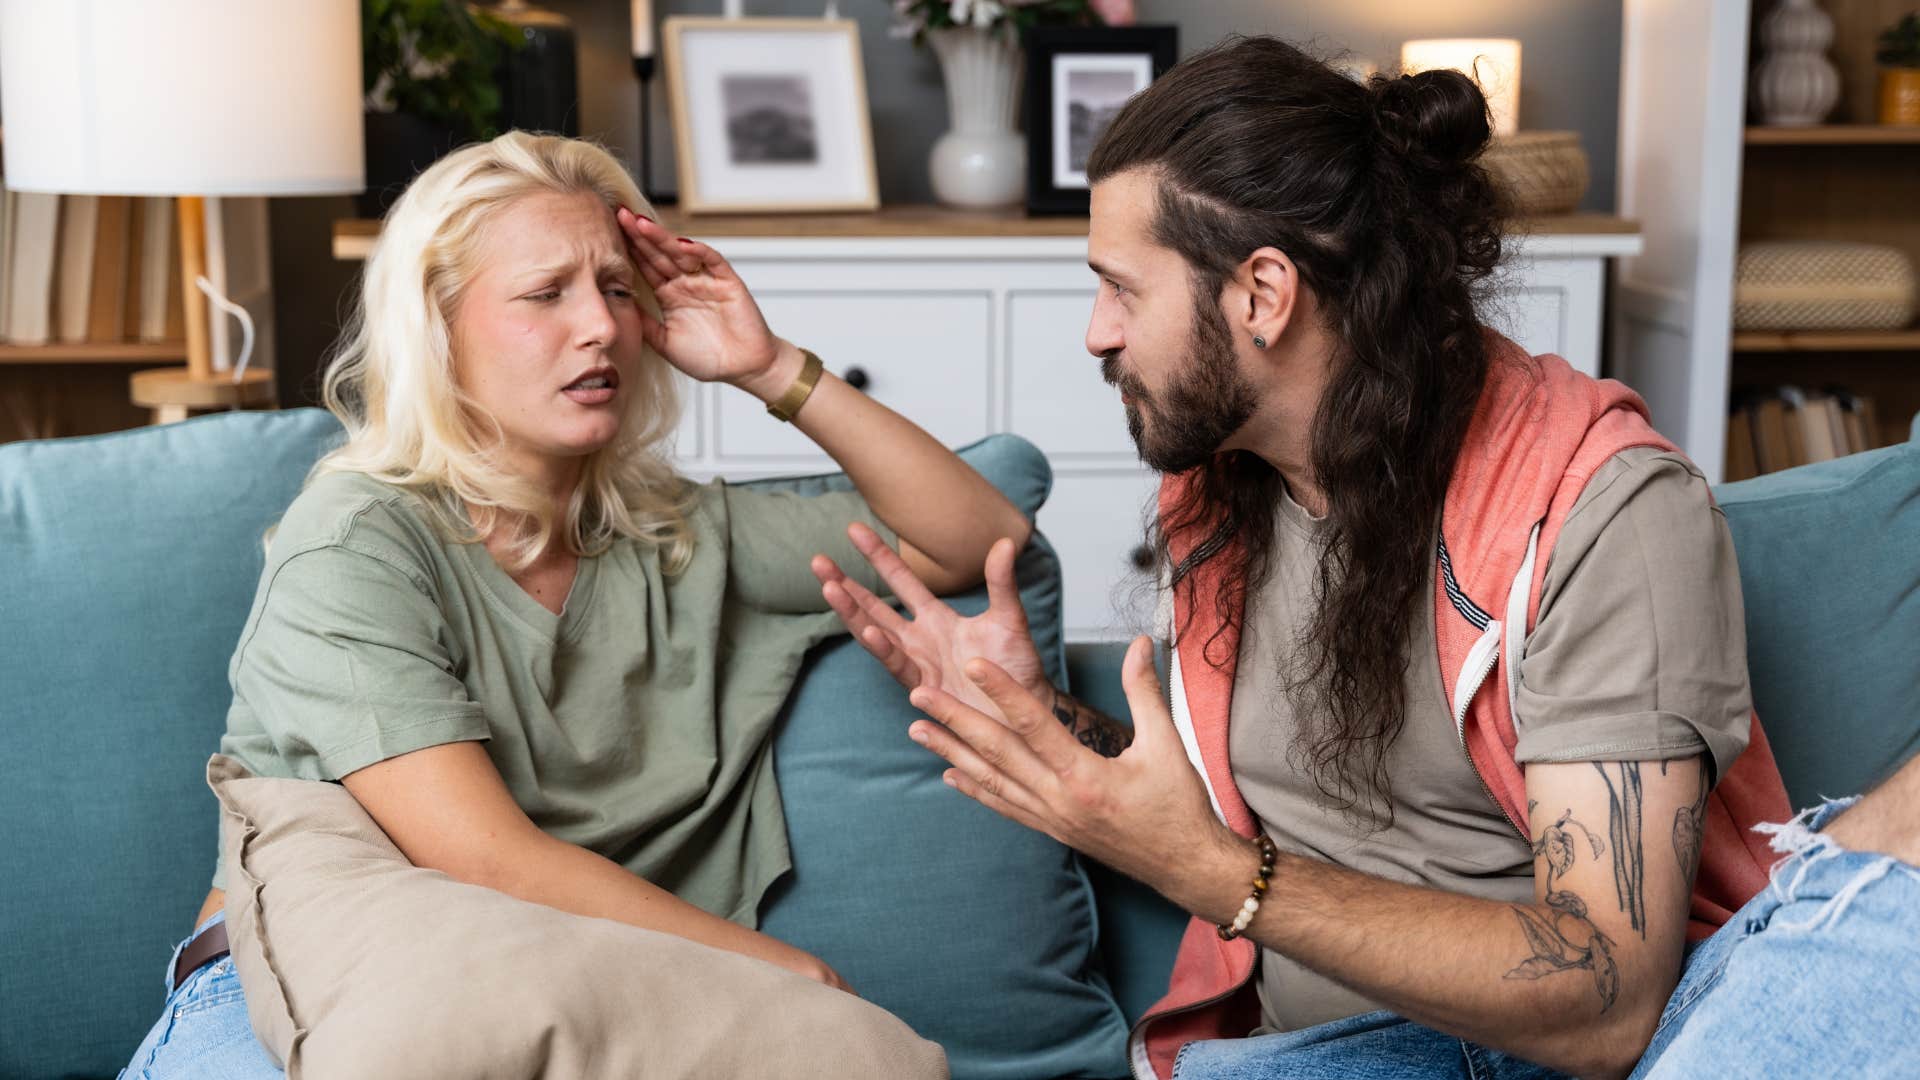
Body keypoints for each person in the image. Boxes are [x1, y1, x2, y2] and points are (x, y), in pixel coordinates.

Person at [806, 35, 1901, 1080]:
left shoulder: (1601, 517)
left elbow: (1610, 998)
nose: (1098, 332)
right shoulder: (1225, 485)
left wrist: (1216, 879)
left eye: (1122, 288)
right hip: (1300, 1052)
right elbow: (1224, 799)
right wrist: (1036, 714)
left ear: (1262, 296)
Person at [119, 131, 1025, 1078]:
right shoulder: (355, 540)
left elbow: (974, 536)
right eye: (546, 294)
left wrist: (771, 369)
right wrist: (791, 976)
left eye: (617, 289)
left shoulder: (675, 534)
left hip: (588, 991)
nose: (598, 326)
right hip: (292, 995)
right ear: (438, 324)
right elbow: (483, 858)